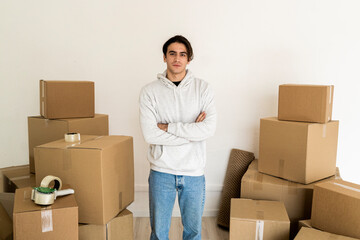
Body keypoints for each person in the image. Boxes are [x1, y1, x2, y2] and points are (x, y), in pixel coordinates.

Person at [139, 35, 217, 240]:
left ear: (188, 59)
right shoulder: (149, 92)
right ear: (164, 57)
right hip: (161, 171)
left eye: (182, 54)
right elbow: (150, 134)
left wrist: (168, 128)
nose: (177, 58)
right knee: (159, 234)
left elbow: (208, 129)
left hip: (193, 173)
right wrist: (192, 132)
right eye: (172, 53)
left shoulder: (203, 89)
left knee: (193, 233)